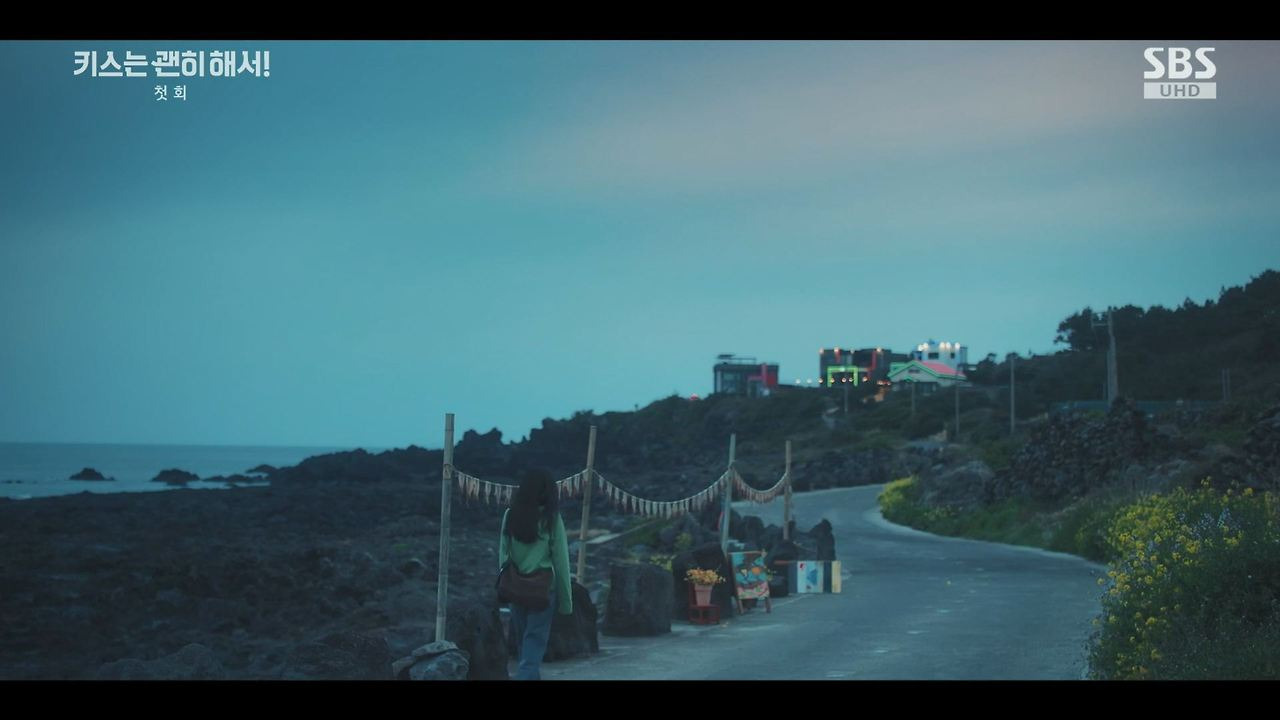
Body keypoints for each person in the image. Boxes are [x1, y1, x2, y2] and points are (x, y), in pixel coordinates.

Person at [499, 469, 573, 680]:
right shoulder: (551, 518)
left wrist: (505, 585)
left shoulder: (510, 515)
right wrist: (566, 602)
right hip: (543, 590)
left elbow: (503, 556)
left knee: (525, 642)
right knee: (534, 641)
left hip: (515, 588)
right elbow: (561, 561)